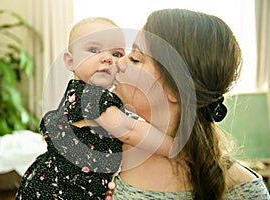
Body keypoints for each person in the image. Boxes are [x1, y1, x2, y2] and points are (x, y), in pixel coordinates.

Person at [106, 8, 270, 200]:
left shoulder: (244, 191)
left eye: (135, 58)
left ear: (175, 90)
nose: (118, 63)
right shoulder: (106, 146)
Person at [16, 17, 176, 200]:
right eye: (94, 50)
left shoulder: (103, 99)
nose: (107, 58)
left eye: (116, 54)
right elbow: (130, 130)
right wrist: (175, 149)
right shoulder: (88, 96)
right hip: (54, 190)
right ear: (70, 61)